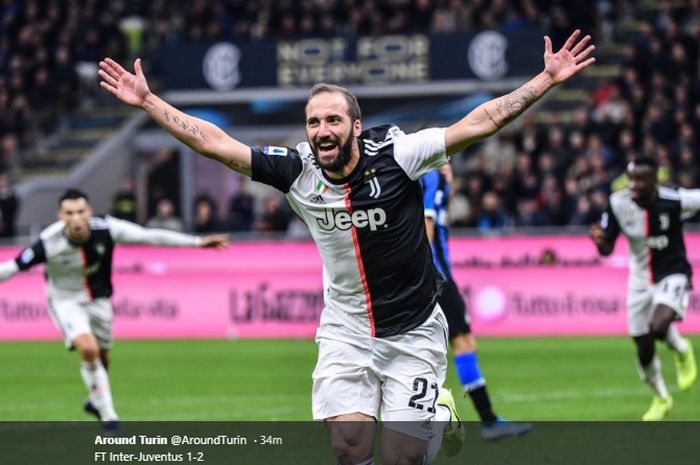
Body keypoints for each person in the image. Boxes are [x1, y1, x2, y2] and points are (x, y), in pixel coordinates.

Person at [99, 29, 594, 463]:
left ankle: (438, 412)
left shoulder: (400, 155)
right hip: (346, 330)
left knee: (402, 459)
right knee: (348, 447)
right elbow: (216, 144)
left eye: (333, 121)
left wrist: (545, 81)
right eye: (314, 123)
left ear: (355, 126)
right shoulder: (297, 170)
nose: (322, 131)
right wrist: (148, 102)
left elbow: (480, 121)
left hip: (414, 330)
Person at [0, 189, 229, 434]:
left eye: (80, 212)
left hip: (99, 300)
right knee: (88, 349)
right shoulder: (48, 241)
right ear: (60, 215)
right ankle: (109, 416)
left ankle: (95, 399)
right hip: (65, 301)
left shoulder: (106, 228)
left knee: (103, 357)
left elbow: (149, 236)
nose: (76, 218)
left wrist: (196, 242)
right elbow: (12, 267)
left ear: (88, 211)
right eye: (69, 213)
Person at [420, 163, 532, 440]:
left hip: (434, 277)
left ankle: (484, 420)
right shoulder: (432, 176)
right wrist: (427, 274)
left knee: (451, 346)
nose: (451, 168)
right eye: (447, 159)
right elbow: (427, 223)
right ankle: (486, 421)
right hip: (436, 278)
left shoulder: (426, 180)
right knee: (461, 344)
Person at [590, 156, 698, 421]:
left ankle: (682, 350)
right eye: (631, 178)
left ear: (654, 181)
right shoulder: (618, 203)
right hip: (639, 279)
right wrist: (599, 241)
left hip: (672, 273)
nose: (633, 184)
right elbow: (607, 249)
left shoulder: (675, 200)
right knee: (643, 344)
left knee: (658, 326)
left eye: (640, 179)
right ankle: (661, 397)